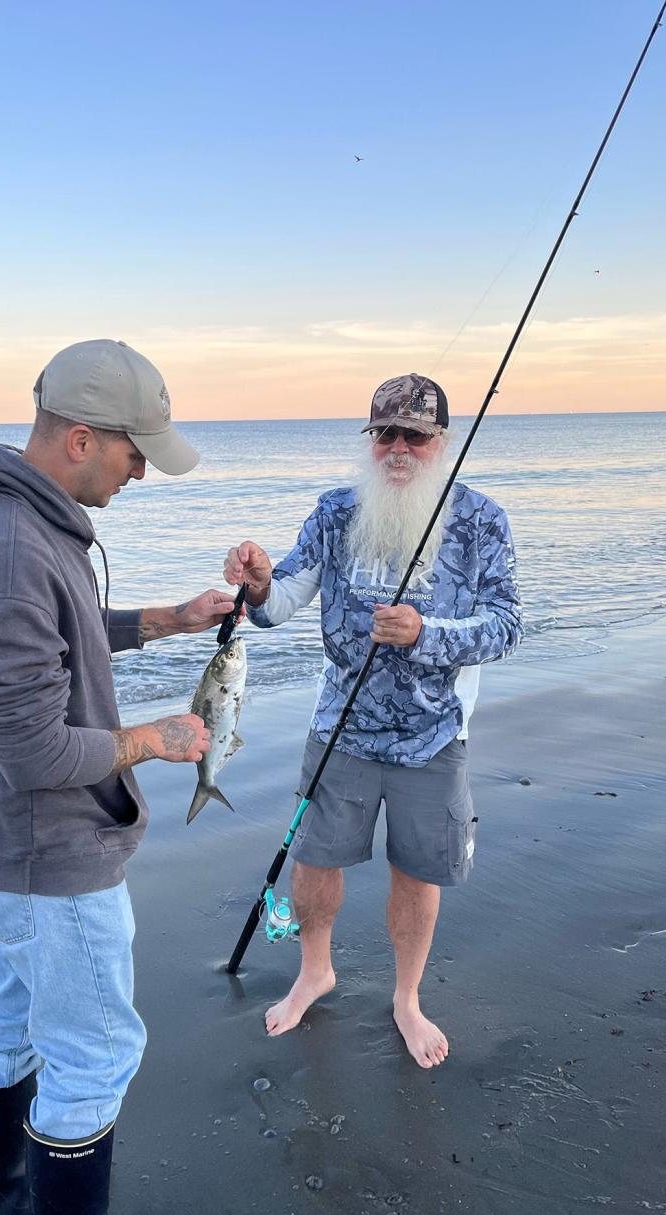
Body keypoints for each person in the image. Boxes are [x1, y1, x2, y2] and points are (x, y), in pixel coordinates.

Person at [0, 339, 233, 1215]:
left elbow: (59, 641)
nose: (142, 469)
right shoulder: (17, 547)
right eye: (135, 451)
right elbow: (28, 748)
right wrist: (154, 740)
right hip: (45, 852)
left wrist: (165, 623)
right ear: (80, 439)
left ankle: (11, 1211)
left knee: (9, 1016)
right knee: (95, 1046)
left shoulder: (11, 519)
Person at [224, 373, 522, 1069]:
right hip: (340, 731)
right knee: (314, 864)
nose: (397, 448)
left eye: (414, 435)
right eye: (384, 433)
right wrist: (259, 581)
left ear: (439, 442)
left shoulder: (482, 521)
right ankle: (314, 972)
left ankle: (407, 998)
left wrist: (425, 633)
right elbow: (280, 599)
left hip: (434, 735)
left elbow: (507, 628)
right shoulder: (334, 512)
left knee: (416, 875)